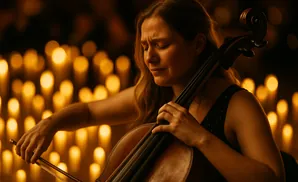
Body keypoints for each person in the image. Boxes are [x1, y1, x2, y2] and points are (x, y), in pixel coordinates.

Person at [16, 0, 286, 181]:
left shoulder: (237, 104)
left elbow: (272, 177)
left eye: (161, 45)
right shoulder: (157, 94)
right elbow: (88, 112)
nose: (149, 58)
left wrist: (200, 138)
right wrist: (51, 123)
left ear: (198, 44)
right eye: (145, 47)